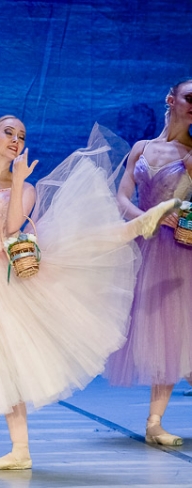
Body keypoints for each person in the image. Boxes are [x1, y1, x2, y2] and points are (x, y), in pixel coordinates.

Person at [0, 61, 180, 470]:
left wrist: (16, 181)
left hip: (9, 272)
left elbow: (12, 230)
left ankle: (136, 225)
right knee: (1, 360)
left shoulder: (24, 187)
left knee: (80, 245)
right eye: (9, 132)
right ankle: (20, 450)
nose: (16, 139)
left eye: (21, 136)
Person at [106, 79, 192, 445]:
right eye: (190, 97)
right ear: (171, 100)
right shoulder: (141, 148)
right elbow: (122, 197)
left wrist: (181, 214)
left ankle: (154, 422)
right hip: (143, 245)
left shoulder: (190, 154)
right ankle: (154, 422)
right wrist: (147, 218)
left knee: (176, 334)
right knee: (164, 336)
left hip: (177, 254)